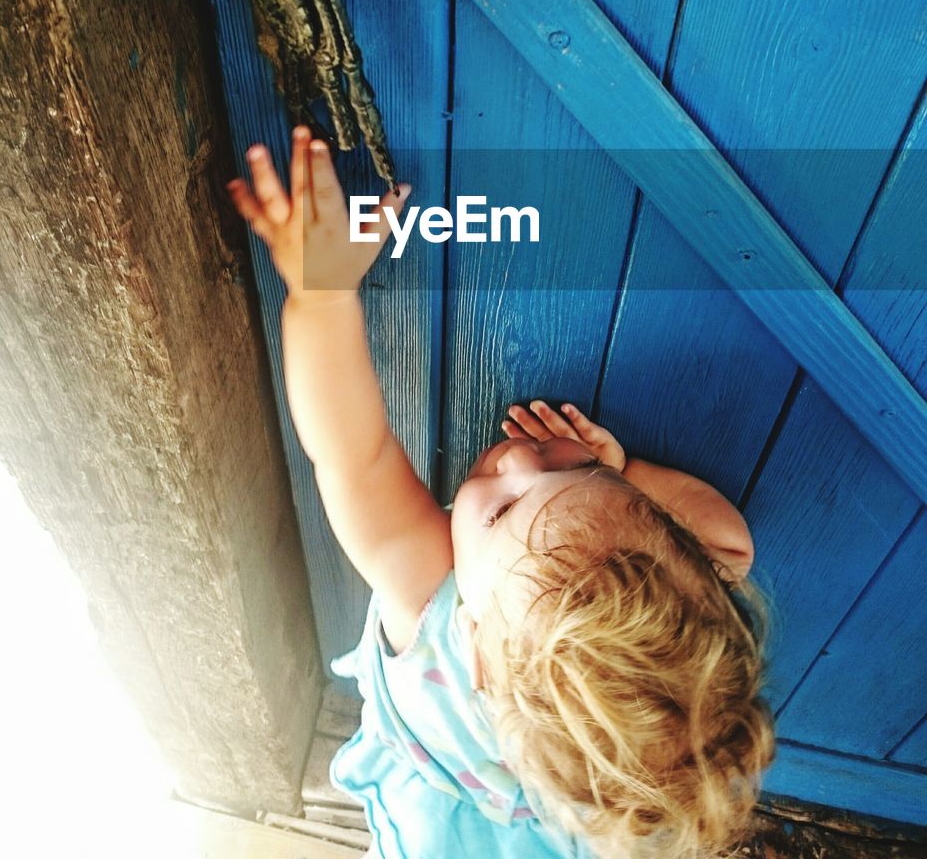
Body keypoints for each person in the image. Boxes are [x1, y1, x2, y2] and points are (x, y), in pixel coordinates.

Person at [226, 127, 775, 859]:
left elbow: (352, 456)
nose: (518, 457)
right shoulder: (636, 741)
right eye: (575, 471)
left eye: (505, 508)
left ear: (479, 648)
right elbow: (731, 540)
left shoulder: (432, 598)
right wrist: (628, 472)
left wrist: (319, 296)